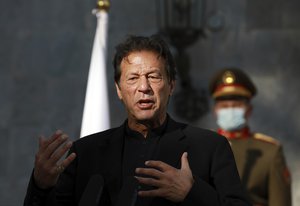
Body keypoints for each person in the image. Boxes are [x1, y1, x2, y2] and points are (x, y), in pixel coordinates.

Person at [24, 35, 251, 206]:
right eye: (133, 78)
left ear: (171, 85)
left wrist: (191, 191)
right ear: (119, 89)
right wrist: (40, 186)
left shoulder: (209, 147)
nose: (144, 88)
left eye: (153, 76)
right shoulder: (85, 152)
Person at [209, 68, 292, 206]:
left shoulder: (270, 152)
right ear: (215, 111)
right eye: (224, 106)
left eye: (236, 106)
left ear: (249, 110)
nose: (230, 111)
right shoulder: (202, 146)